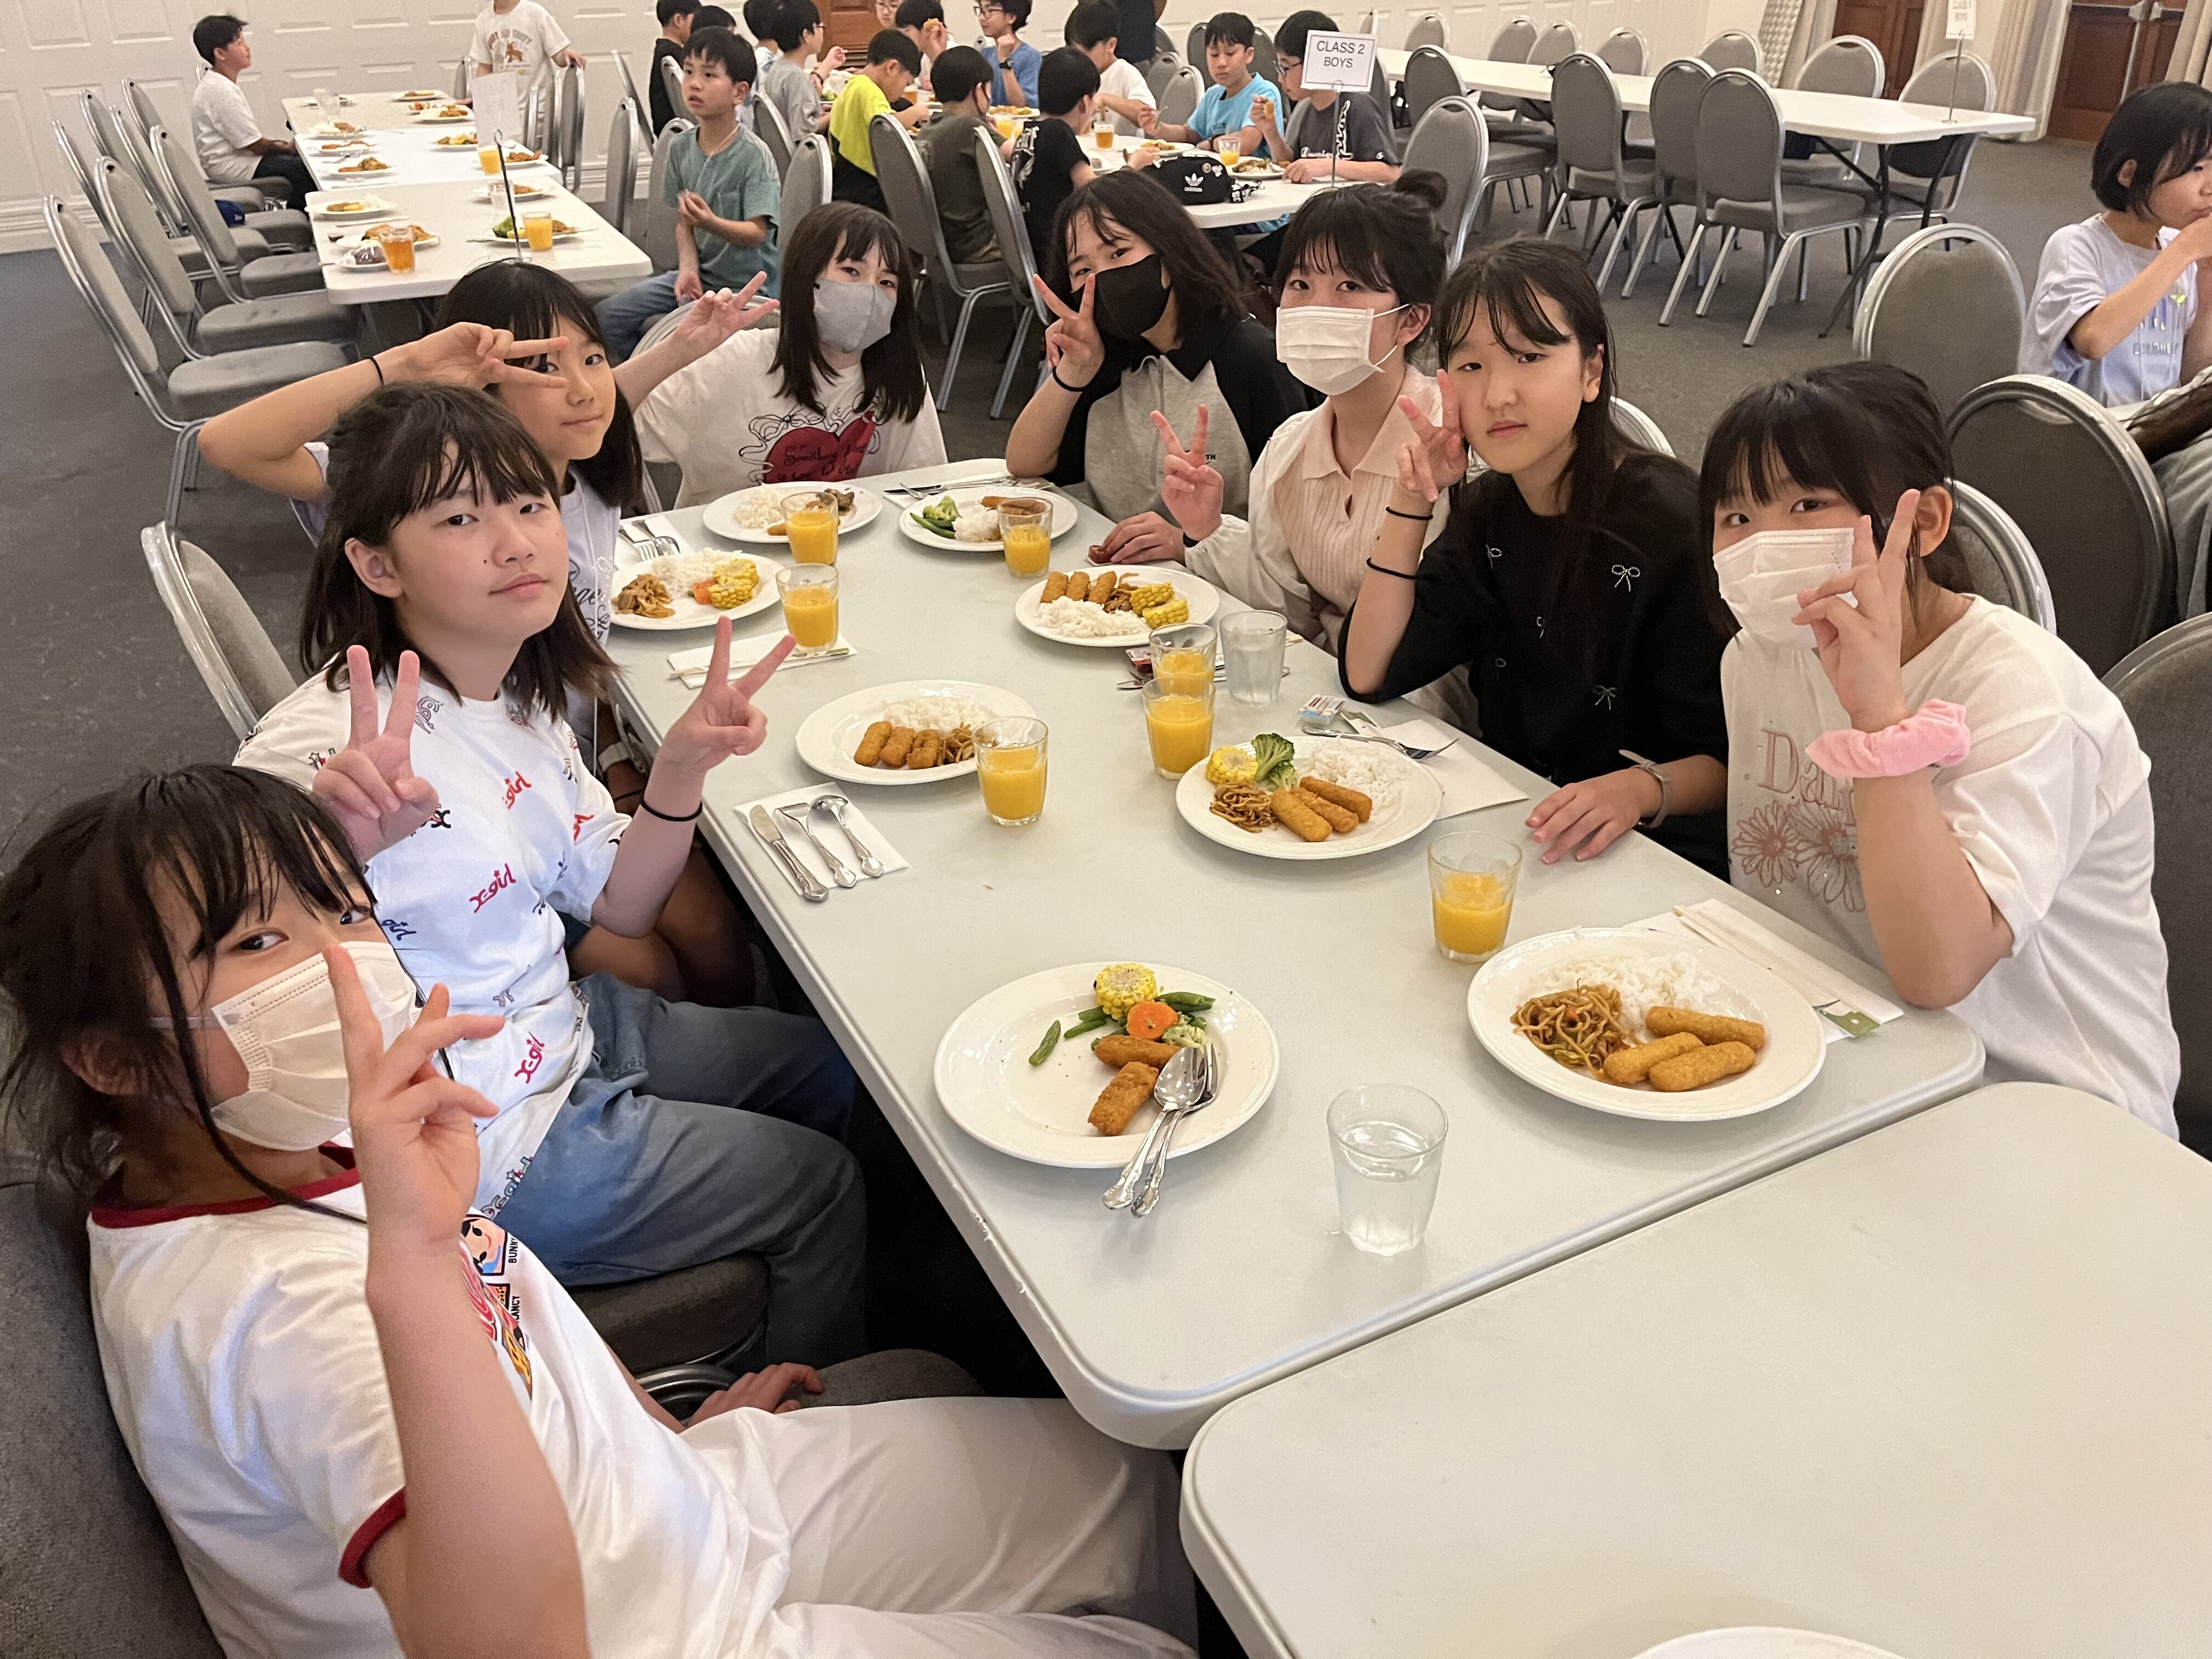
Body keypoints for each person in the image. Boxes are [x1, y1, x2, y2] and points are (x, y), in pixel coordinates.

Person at [0, 763, 1200, 1658]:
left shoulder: (277, 1137)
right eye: (264, 937)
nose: (351, 963)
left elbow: (504, 1298)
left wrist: (653, 1431)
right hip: (649, 1630)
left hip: (679, 1503)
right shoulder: (283, 1320)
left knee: (1152, 1501)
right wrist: (415, 1261)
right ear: (111, 1055)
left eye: (348, 908)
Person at [232, 382, 870, 1363]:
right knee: (819, 1182)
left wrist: (677, 772)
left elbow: (621, 902)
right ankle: (787, 1401)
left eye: (529, 504)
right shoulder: (320, 750)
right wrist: (331, 858)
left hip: (567, 1029)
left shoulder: (521, 698)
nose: (515, 542)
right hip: (484, 1142)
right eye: (459, 518)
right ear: (376, 563)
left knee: (839, 1068)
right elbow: (223, 980)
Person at [200, 263, 777, 1008]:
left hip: (562, 764)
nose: (582, 389)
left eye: (594, 358)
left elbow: (591, 403)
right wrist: (408, 365)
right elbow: (231, 443)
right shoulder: (409, 480)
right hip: (467, 818)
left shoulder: (575, 471)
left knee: (696, 929)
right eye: (543, 366)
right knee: (663, 956)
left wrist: (681, 349)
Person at [1703, 362, 2180, 1135]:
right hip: (1852, 1052)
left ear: (1923, 523)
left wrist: (1880, 718)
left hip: (2041, 1103)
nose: (1764, 546)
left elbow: (1938, 971)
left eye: (1807, 505)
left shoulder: (2026, 696)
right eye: (1736, 517)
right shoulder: (1758, 658)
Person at [1340, 239, 1731, 874]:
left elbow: (1733, 761)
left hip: (1652, 855)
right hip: (1521, 828)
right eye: (1471, 365)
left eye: (1529, 356)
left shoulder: (1670, 524)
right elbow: (1368, 670)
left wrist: (1637, 791)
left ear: (1592, 372)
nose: (1498, 394)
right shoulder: (1490, 509)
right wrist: (1413, 499)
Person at [1139, 177, 1447, 662]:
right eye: (1301, 285)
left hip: (1425, 691)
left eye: (1350, 286)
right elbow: (1292, 613)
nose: (1316, 307)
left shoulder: (1449, 448)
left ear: (1411, 320)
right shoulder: (1290, 447)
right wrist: (1208, 528)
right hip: (1329, 686)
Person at [1005, 170, 1313, 548]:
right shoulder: (1106, 358)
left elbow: (1300, 530)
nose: (1102, 278)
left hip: (1223, 576)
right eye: (1083, 270)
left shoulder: (1250, 358)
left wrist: (1188, 544)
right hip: (1119, 571)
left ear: (1167, 252)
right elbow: (1024, 464)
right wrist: (1074, 370)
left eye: (1118, 253)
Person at [637, 201, 946, 503]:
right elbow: (611, 417)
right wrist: (678, 350)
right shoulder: (731, 362)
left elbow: (925, 491)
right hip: (725, 537)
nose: (870, 293)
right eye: (852, 270)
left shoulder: (899, 374)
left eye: (886, 282)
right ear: (806, 279)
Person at [596, 26, 783, 360]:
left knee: (690, 346)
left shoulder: (754, 155)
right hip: (700, 277)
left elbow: (757, 234)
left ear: (739, 92)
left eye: (709, 75)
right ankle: (643, 387)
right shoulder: (682, 146)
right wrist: (687, 269)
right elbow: (685, 224)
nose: (694, 83)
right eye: (689, 72)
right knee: (606, 317)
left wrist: (710, 222)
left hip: (746, 289)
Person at [2023, 80, 2212, 407]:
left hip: (2150, 427)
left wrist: (2207, 287)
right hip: (2079, 429)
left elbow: (2189, 377)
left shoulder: (2176, 251)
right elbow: (2094, 341)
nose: (2209, 187)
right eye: (2197, 168)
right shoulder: (2075, 246)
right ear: (2129, 174)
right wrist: (2185, 251)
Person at [1252, 9, 1397, 184]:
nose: (1280, 78)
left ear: (1315, 62)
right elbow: (1293, 165)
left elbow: (1391, 173)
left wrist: (1330, 166)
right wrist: (1271, 132)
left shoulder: (1358, 107)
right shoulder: (1308, 109)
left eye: (1287, 67)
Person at [189, 15, 314, 211]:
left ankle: (297, 216)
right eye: (239, 43)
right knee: (303, 170)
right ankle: (299, 221)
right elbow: (255, 145)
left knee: (301, 162)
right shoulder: (221, 92)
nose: (247, 48)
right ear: (220, 53)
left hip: (237, 159)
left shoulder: (219, 83)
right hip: (230, 166)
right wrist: (290, 148)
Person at [1141, 11, 1277, 156]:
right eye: (1214, 54)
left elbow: (1246, 145)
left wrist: (1212, 143)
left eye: (1230, 54)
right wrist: (1159, 128)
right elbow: (1188, 134)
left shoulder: (1264, 93)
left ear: (1249, 55)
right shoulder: (1214, 94)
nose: (1221, 63)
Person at [916, 45, 1002, 263]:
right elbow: (1018, 153)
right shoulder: (970, 128)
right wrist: (995, 133)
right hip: (976, 245)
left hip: (941, 245)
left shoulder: (928, 130)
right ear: (979, 90)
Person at [827, 29, 929, 210]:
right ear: (892, 68)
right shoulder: (869, 90)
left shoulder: (854, 84)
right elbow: (887, 126)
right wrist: (917, 112)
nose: (903, 91)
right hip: (866, 189)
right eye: (906, 83)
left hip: (845, 181)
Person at [1013, 49, 1100, 255]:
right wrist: (1133, 166)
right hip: (1056, 253)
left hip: (1031, 247)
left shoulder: (1028, 130)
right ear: (1084, 103)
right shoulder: (1059, 133)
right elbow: (1097, 191)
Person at [1066, 0, 1158, 137]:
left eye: (1085, 53)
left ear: (1110, 45)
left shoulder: (1125, 72)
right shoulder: (1076, 73)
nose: (1080, 60)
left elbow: (1146, 115)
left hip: (1125, 148)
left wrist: (1104, 98)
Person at [759, 0, 833, 142]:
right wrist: (835, 114)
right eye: (819, 26)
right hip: (802, 153)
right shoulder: (795, 76)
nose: (822, 31)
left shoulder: (778, 67)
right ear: (806, 35)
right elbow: (804, 130)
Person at [470, 0, 586, 82]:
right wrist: (479, 98)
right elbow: (485, 67)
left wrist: (566, 55)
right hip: (503, 104)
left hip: (539, 105)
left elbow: (558, 55)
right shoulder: (483, 20)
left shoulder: (535, 13)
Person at [648, 0, 699, 134]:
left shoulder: (663, 50)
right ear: (679, 20)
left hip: (668, 133)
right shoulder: (675, 55)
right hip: (678, 133)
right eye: (695, 20)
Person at [979, 0, 1042, 106]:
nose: (982, 18)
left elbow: (1023, 107)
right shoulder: (985, 54)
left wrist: (1005, 61)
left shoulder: (1030, 57)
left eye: (989, 10)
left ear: (1011, 17)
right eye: (981, 10)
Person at [896, 0, 952, 84]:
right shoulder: (926, 58)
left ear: (929, 28)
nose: (903, 37)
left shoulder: (953, 54)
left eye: (907, 31)